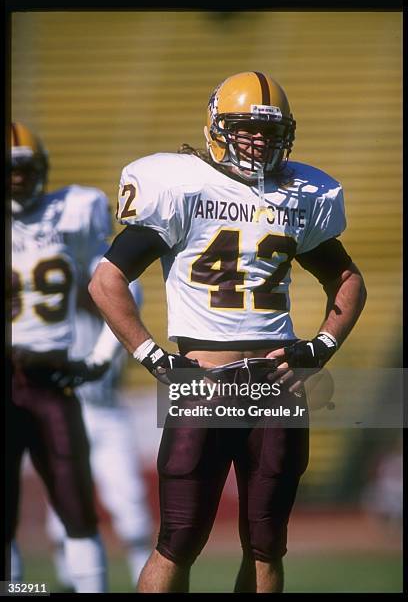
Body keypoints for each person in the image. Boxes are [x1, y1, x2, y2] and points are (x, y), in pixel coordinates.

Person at [89, 71, 367, 593]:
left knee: (266, 543)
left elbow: (349, 282)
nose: (259, 141)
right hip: (205, 383)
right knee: (179, 538)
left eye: (269, 131)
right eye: (245, 128)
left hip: (274, 386)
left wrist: (321, 347)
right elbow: (106, 281)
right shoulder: (180, 185)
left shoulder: (303, 194)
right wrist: (156, 359)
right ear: (218, 128)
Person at [9, 122, 125, 593]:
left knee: (77, 507)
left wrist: (100, 355)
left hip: (52, 376)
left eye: (25, 170)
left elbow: (120, 284)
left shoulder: (74, 210)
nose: (18, 180)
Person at [45, 279, 153, 590]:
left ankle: (141, 580)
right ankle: (69, 582)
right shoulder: (61, 304)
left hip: (109, 413)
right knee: (62, 513)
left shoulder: (123, 300)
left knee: (131, 507)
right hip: (67, 412)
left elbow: (126, 286)